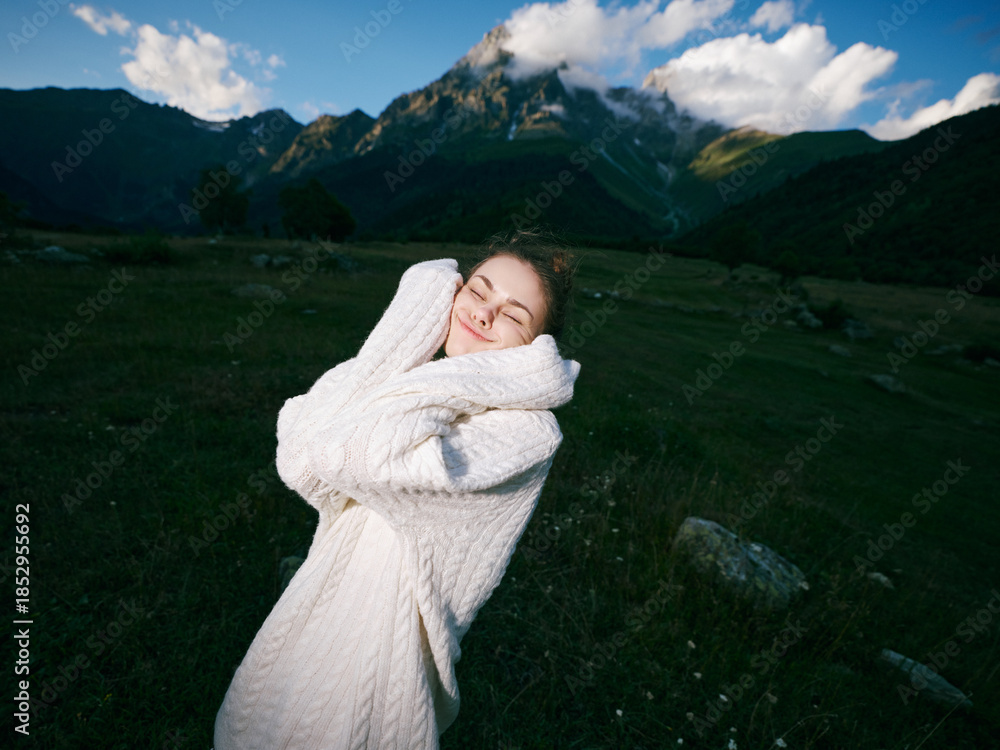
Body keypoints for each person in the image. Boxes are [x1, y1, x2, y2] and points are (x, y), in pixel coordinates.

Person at [213, 229, 581, 749]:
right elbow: (299, 454)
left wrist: (411, 333)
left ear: (536, 352)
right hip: (312, 616)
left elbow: (358, 453)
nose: (484, 314)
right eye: (477, 291)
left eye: (515, 315)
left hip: (381, 662)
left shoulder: (528, 433)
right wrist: (415, 324)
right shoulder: (429, 388)